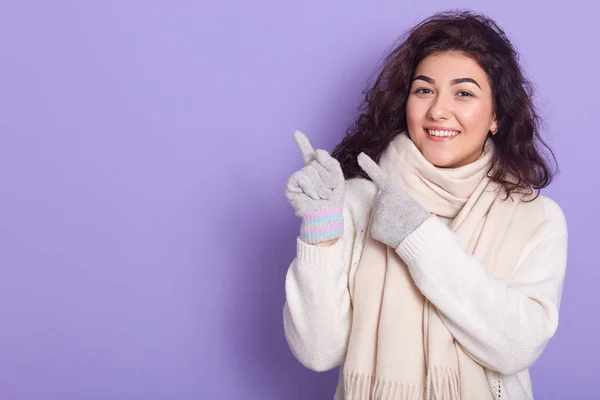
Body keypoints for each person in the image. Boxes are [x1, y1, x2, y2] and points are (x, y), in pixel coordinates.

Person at [282, 9, 568, 400]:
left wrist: (418, 237)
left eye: (464, 93)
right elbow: (318, 351)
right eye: (424, 90)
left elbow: (516, 346)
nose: (438, 110)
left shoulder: (536, 219)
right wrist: (320, 228)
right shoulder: (355, 201)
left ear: (496, 115)